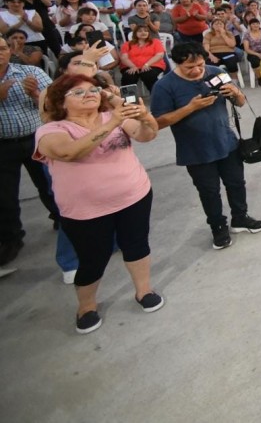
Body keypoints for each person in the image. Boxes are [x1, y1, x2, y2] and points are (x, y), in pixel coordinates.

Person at [34, 73, 162, 334]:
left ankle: (143, 290)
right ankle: (87, 306)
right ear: (61, 101)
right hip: (86, 211)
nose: (90, 94)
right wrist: (113, 120)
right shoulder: (51, 131)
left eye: (93, 89)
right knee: (93, 258)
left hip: (133, 196)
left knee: (137, 245)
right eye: (78, 92)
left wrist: (145, 117)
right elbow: (70, 152)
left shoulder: (113, 117)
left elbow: (146, 135)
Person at [150, 43, 261, 250]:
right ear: (177, 64)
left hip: (226, 142)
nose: (197, 71)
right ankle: (218, 227)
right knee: (209, 191)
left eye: (200, 65)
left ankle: (240, 218)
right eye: (189, 67)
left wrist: (235, 92)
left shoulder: (216, 72)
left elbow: (240, 102)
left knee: (236, 183)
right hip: (195, 150)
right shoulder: (165, 86)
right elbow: (158, 122)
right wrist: (189, 108)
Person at [0, 36, 58, 266]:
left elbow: (55, 105)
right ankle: (11, 238)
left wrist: (35, 96)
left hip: (36, 137)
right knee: (5, 196)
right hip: (3, 144)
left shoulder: (28, 73)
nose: (0, 53)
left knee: (50, 184)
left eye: (3, 48)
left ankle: (62, 218)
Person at [120, 27, 167, 91]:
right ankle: (129, 99)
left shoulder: (156, 42)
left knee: (148, 75)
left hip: (152, 65)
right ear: (135, 33)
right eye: (140, 31)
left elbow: (159, 55)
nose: (143, 33)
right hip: (131, 66)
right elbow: (124, 58)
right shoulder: (127, 44)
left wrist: (147, 64)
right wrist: (133, 66)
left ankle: (156, 96)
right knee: (129, 76)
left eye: (146, 31)